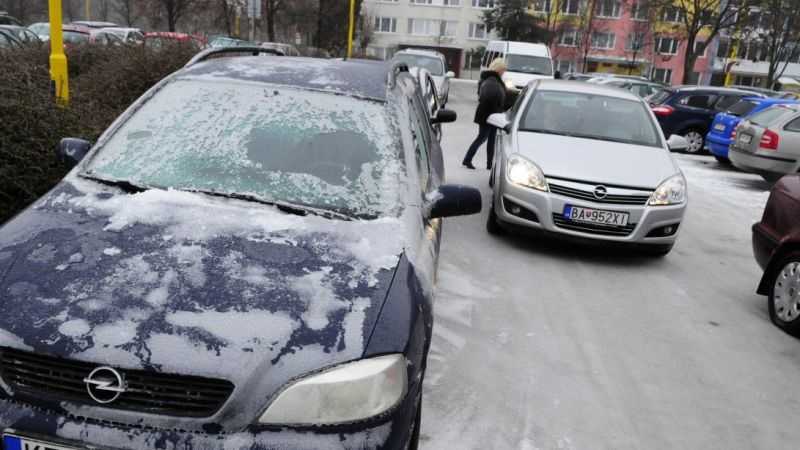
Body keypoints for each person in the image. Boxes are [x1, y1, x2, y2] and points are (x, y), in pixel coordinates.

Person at [463, 58, 507, 170]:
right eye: (503, 70)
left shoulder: (490, 79)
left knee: (491, 140)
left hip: (491, 114)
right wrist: (496, 109)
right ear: (498, 69)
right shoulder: (492, 80)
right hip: (488, 115)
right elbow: (488, 97)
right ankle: (467, 159)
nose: (504, 72)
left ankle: (489, 164)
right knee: (482, 138)